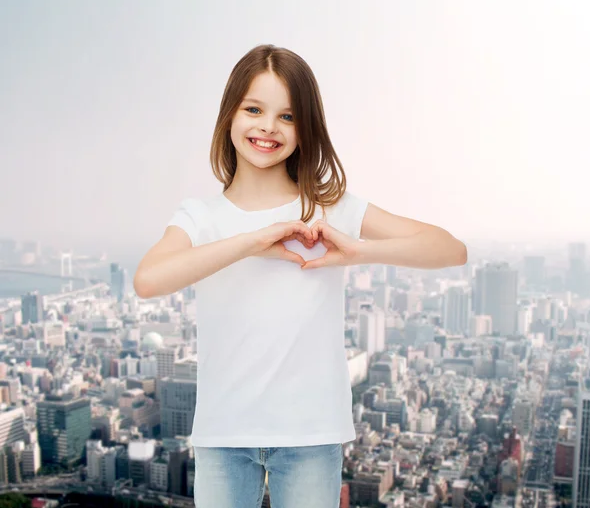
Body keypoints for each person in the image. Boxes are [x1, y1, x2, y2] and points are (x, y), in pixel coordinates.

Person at [133, 44, 467, 508]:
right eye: (254, 109)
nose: (268, 127)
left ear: (305, 128)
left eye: (287, 117)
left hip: (311, 432)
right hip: (224, 433)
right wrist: (253, 239)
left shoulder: (330, 206)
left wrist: (356, 251)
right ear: (229, 114)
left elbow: (450, 249)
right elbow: (148, 280)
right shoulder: (200, 216)